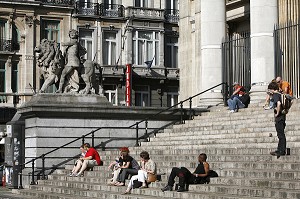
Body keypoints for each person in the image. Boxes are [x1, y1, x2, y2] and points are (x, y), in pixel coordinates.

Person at [56, 29, 86, 93]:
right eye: (71, 33)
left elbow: (65, 44)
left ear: (76, 35)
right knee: (70, 75)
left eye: (74, 33)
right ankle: (70, 87)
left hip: (72, 62)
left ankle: (60, 89)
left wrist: (59, 43)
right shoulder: (74, 43)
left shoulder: (74, 41)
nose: (72, 34)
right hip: (70, 62)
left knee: (63, 74)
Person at [267, 82, 287, 157]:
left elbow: (278, 103)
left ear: (272, 89)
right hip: (283, 117)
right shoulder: (279, 94)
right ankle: (280, 149)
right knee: (281, 134)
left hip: (279, 117)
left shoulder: (275, 95)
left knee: (280, 134)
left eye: (270, 89)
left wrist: (277, 113)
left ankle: (281, 150)